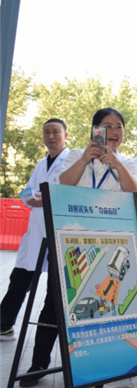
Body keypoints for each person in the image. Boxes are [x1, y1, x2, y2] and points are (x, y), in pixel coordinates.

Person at [20, 108, 137, 387]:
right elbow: (63, 183)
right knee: (54, 303)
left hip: (108, 245)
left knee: (100, 306)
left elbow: (135, 192)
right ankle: (39, 363)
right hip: (70, 243)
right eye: (107, 126)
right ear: (95, 130)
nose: (114, 131)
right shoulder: (75, 155)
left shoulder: (127, 162)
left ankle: (94, 368)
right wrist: (87, 158)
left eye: (119, 126)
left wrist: (117, 165)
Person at [0, 119, 69, 341]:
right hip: (36, 231)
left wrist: (43, 200)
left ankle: (47, 340)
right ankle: (4, 325)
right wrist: (32, 198)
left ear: (65, 135)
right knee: (20, 278)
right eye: (47, 132)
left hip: (58, 230)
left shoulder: (72, 161)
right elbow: (29, 191)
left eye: (56, 131)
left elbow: (67, 193)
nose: (51, 136)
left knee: (53, 289)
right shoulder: (41, 163)